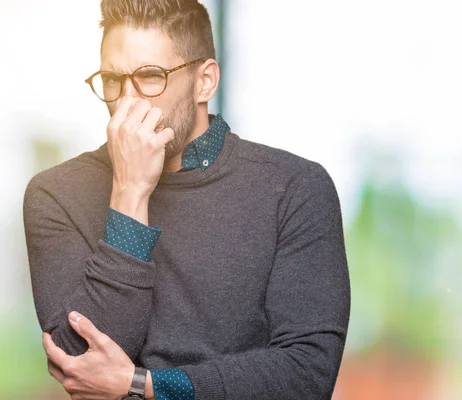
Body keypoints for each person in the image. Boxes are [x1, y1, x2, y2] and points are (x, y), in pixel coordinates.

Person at [22, 1, 350, 399]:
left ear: (205, 81)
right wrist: (129, 194)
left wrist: (144, 385)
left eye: (149, 76)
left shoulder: (295, 187)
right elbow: (80, 364)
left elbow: (306, 375)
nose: (127, 102)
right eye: (112, 79)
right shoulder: (55, 195)